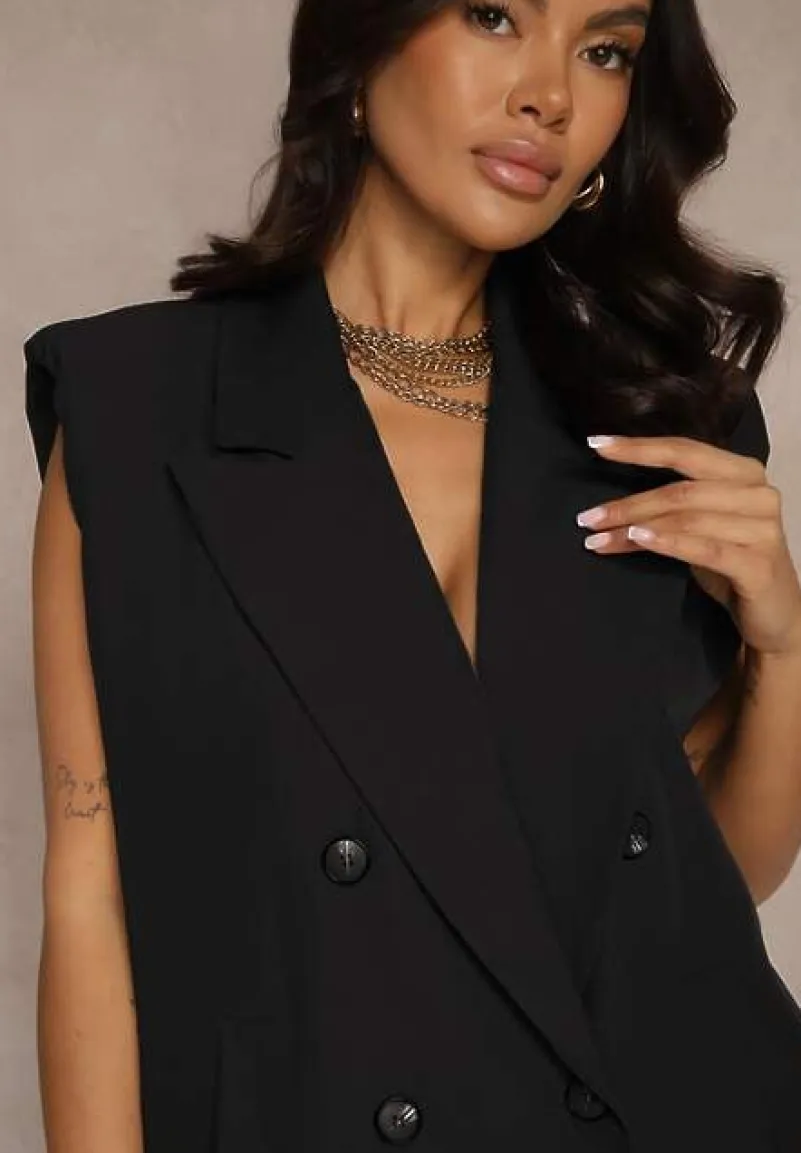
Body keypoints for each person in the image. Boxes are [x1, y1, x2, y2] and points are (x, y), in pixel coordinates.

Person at [24, 0, 801, 1150]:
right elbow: (92, 894)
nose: (551, 95)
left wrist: (785, 648)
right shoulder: (140, 407)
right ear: (360, 46)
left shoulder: (662, 419)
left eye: (605, 51)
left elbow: (711, 878)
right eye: (494, 16)